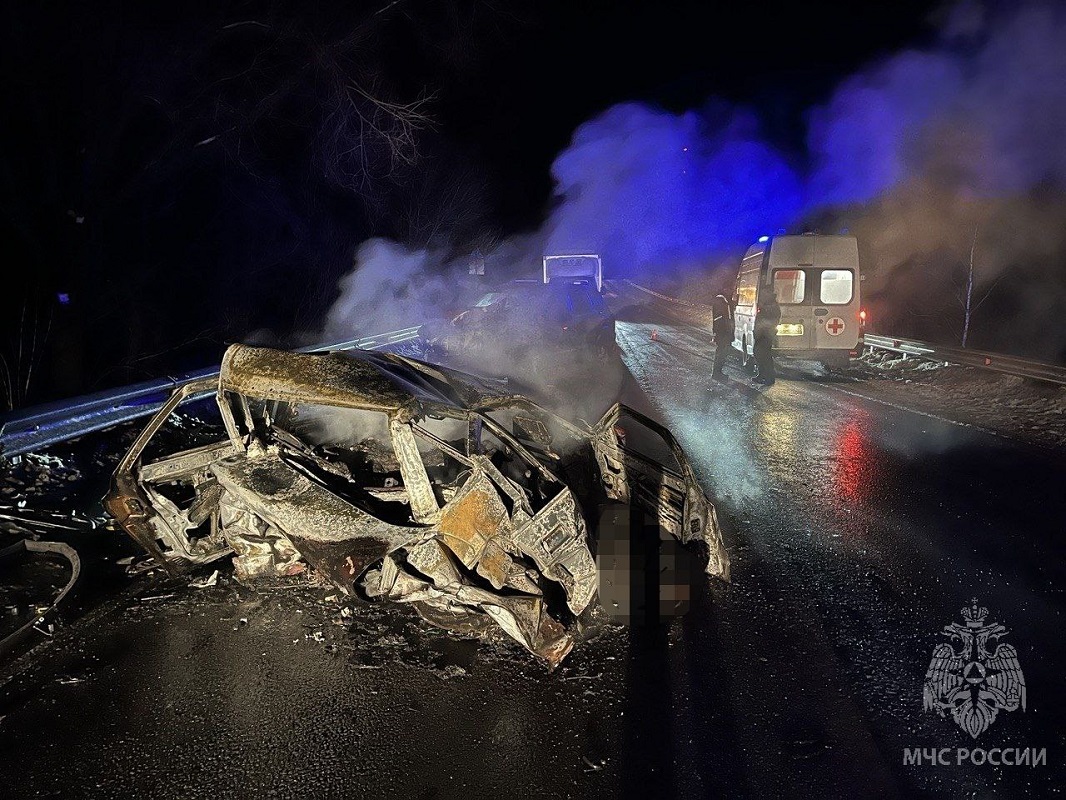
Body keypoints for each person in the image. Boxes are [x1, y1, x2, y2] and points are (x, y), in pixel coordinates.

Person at [752, 296, 780, 386]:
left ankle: (769, 377)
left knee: (765, 356)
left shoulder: (771, 307)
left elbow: (769, 321)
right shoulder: (769, 306)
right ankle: (762, 375)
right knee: (759, 354)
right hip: (762, 334)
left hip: (765, 335)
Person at [711, 294, 733, 379]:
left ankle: (717, 372)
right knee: (721, 353)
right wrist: (727, 330)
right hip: (722, 332)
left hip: (722, 332)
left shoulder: (722, 300)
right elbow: (721, 318)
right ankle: (717, 373)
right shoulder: (720, 300)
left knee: (722, 353)